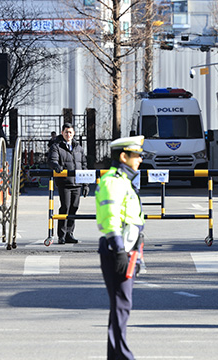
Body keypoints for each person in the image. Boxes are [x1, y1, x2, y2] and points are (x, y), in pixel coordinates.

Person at [96, 135, 146, 360]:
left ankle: (116, 355)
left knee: (120, 305)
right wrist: (118, 251)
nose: (140, 160)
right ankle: (123, 355)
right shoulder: (113, 182)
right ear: (124, 156)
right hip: (118, 250)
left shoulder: (125, 181)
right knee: (121, 305)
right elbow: (110, 218)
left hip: (128, 249)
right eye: (137, 155)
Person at [48, 123, 88, 244]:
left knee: (74, 208)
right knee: (65, 207)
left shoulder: (79, 148)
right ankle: (62, 235)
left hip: (77, 183)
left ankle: (70, 233)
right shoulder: (56, 147)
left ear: (73, 133)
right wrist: (56, 166)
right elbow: (52, 160)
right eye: (66, 132)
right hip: (64, 183)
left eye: (70, 132)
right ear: (62, 133)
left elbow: (84, 166)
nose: (68, 134)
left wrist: (86, 184)